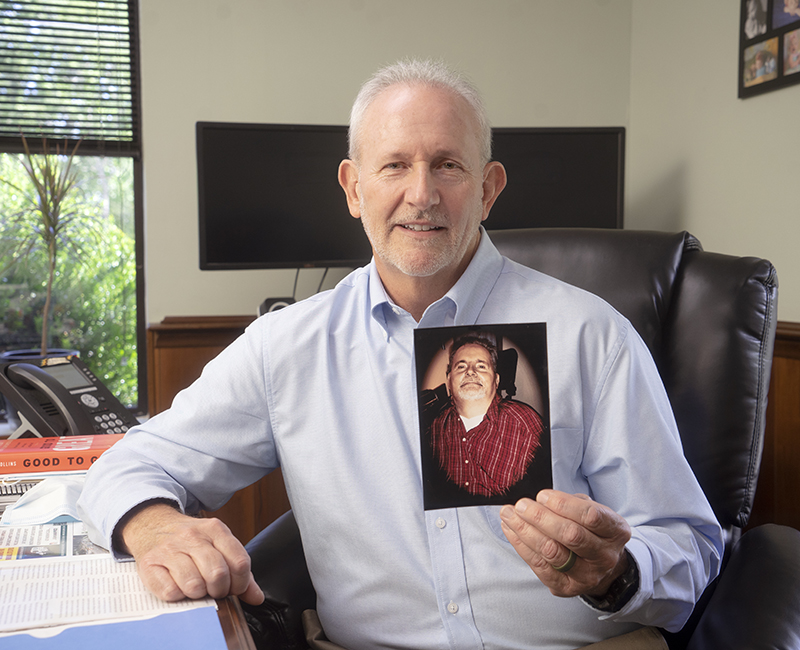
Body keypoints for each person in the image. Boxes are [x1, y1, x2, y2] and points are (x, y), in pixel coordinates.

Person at [78, 59, 723, 650]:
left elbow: (692, 545)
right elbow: (130, 462)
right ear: (354, 188)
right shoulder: (287, 348)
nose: (422, 193)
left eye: (448, 165)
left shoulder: (592, 336)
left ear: (489, 188)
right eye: (394, 166)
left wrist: (617, 572)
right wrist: (155, 526)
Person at [428, 334, 544, 497]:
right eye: (461, 367)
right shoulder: (435, 427)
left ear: (496, 381)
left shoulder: (526, 426)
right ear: (449, 381)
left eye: (481, 366)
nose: (470, 372)